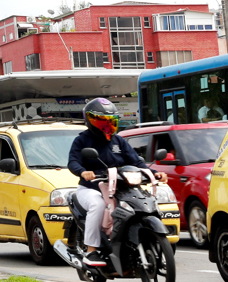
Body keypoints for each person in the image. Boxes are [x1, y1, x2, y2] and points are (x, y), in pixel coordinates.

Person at [67, 98, 167, 267]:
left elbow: (137, 162)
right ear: (91, 121)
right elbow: (73, 162)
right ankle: (91, 251)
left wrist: (155, 174)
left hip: (118, 188)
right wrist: (83, 172)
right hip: (91, 188)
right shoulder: (82, 140)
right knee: (97, 205)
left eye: (110, 121)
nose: (107, 126)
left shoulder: (118, 141)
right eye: (102, 121)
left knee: (138, 204)